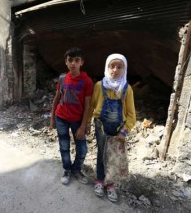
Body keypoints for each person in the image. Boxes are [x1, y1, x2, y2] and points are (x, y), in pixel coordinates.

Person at [87, 53, 136, 202]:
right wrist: (87, 124)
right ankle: (100, 181)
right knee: (102, 154)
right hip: (101, 127)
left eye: (119, 66)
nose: (115, 69)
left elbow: (131, 114)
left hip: (117, 130)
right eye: (112, 66)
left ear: (124, 69)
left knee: (113, 157)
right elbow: (91, 107)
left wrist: (124, 131)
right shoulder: (99, 86)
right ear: (107, 67)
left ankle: (110, 185)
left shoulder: (126, 89)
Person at [50, 47, 93, 185]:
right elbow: (56, 99)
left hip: (77, 121)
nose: (73, 63)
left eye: (76, 60)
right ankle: (67, 169)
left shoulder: (87, 81)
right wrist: (52, 119)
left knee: (82, 149)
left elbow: (88, 106)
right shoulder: (62, 78)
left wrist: (84, 125)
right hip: (61, 117)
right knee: (64, 146)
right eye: (70, 60)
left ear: (82, 62)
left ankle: (76, 169)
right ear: (66, 62)